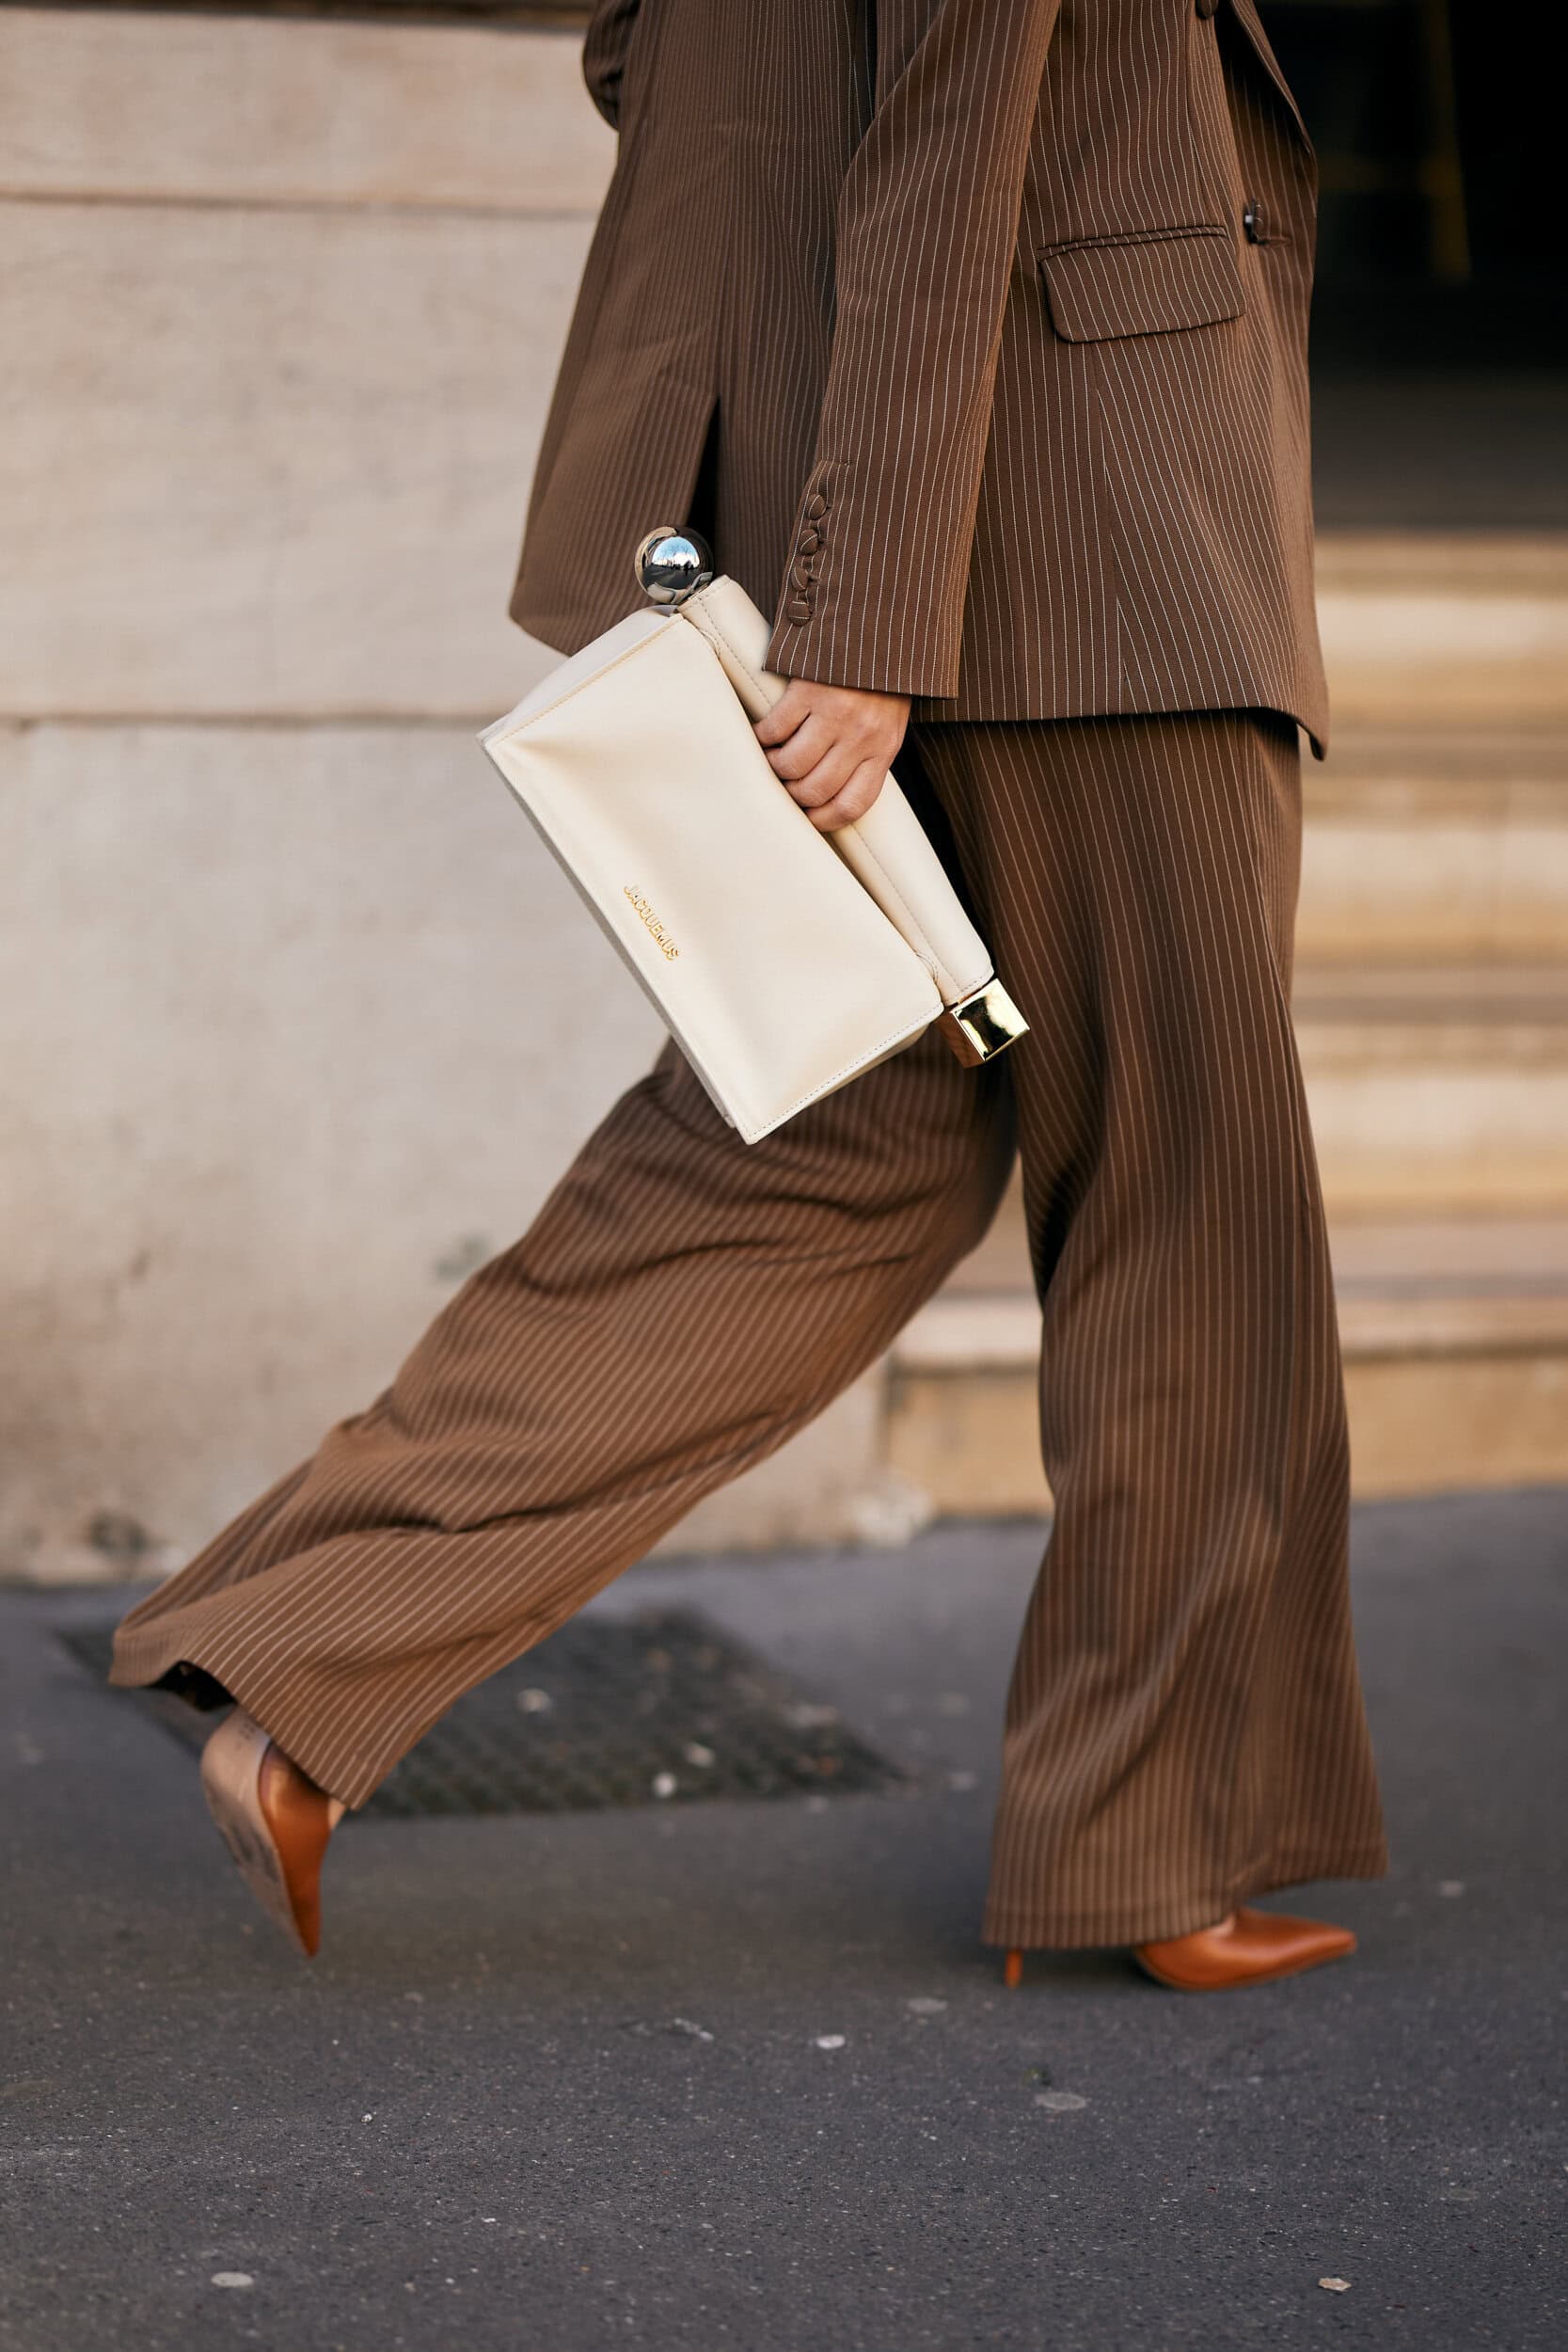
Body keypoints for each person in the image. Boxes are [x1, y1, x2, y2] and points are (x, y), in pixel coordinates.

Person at [111, 0, 1387, 1989]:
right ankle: (1154, 1850)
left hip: (847, 505)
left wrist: (835, 538)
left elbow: (651, 49)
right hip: (1093, 546)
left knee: (805, 1163)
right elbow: (949, 126)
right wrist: (878, 611)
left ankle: (305, 1655)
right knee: (1188, 1209)